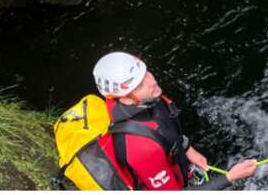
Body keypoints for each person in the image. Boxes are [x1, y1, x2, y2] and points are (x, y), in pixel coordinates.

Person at [92, 51, 258, 190]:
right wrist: (230, 177)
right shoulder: (142, 149)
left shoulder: (146, 98)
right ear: (124, 95)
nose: (152, 81)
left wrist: (187, 149)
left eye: (146, 73)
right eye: (140, 84)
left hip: (174, 164)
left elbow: (165, 125)